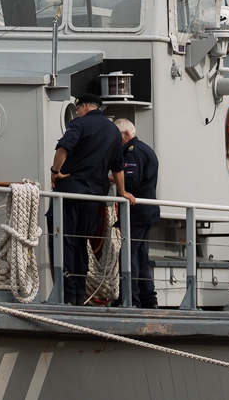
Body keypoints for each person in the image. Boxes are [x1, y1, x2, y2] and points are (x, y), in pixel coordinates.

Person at [51, 95, 127, 304]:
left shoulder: (79, 123)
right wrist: (122, 192)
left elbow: (63, 148)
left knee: (65, 240)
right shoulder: (113, 131)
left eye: (77, 109)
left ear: (83, 107)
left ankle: (66, 294)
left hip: (71, 192)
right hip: (95, 197)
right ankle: (78, 292)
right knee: (81, 242)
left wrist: (55, 172)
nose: (77, 112)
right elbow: (118, 167)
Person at [115, 116, 160, 308]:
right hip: (146, 212)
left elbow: (131, 182)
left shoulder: (132, 152)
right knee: (140, 256)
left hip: (137, 213)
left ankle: (130, 298)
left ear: (126, 134)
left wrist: (113, 179)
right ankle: (148, 299)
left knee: (128, 255)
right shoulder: (145, 149)